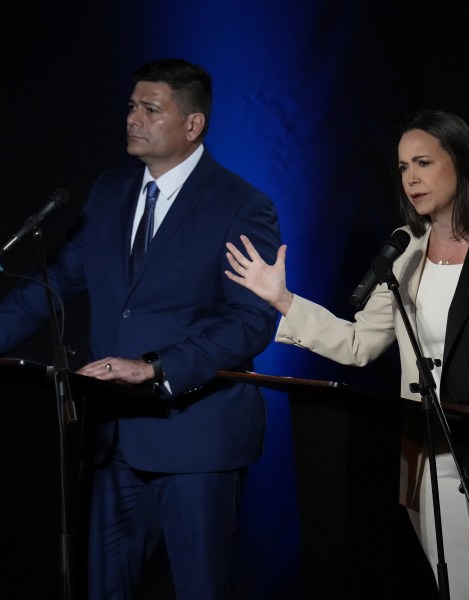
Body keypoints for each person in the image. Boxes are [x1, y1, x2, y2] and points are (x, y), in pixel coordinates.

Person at [225, 108, 469, 599]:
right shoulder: (406, 248)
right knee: (457, 590)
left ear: (460, 162)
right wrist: (283, 300)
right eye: (403, 168)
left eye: (423, 163)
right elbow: (358, 343)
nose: (412, 179)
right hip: (428, 450)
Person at [0, 58, 282, 598]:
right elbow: (55, 282)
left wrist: (155, 368)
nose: (133, 118)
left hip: (198, 440)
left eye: (150, 109)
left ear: (193, 125)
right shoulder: (108, 192)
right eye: (131, 106)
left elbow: (250, 322)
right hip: (113, 443)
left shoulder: (242, 206)